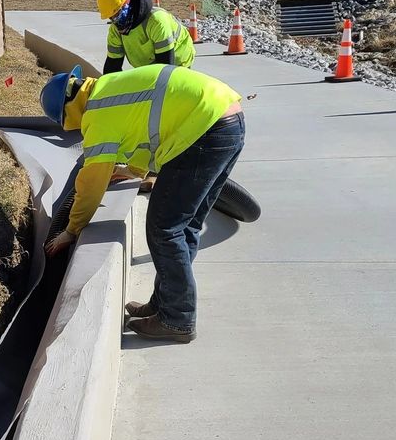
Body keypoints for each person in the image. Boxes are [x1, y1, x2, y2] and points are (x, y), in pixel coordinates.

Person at [39, 62, 244, 343]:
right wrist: (134, 171)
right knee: (185, 226)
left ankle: (177, 319)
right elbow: (145, 126)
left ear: (66, 111)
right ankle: (164, 304)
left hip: (203, 131)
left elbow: (91, 183)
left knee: (164, 228)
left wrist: (72, 230)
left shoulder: (97, 114)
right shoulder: (108, 89)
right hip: (227, 120)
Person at [97, 0, 195, 74]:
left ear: (127, 3)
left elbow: (166, 68)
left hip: (179, 60)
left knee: (174, 87)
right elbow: (112, 67)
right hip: (148, 66)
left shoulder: (156, 21)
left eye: (117, 14)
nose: (115, 20)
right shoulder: (116, 30)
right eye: (111, 17)